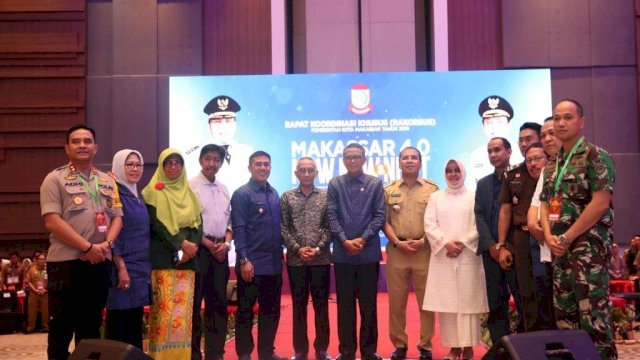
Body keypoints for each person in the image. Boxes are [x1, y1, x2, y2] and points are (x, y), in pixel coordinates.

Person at [540, 99, 617, 359]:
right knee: (566, 318)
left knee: (593, 317)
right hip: (560, 251)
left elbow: (600, 202)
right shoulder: (552, 164)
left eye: (568, 117)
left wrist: (566, 236)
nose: (561, 123)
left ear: (581, 122)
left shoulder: (596, 155)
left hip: (588, 251)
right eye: (557, 118)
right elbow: (544, 203)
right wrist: (550, 237)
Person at [40, 124, 123, 360]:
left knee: (91, 327)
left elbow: (117, 217)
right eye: (76, 141)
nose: (82, 145)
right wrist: (87, 247)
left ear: (95, 147)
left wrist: (104, 247)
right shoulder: (54, 179)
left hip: (99, 263)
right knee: (61, 327)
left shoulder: (107, 180)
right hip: (66, 264)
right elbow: (52, 222)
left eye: (87, 141)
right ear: (67, 148)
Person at [423, 159, 487, 360]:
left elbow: (479, 225)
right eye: (449, 171)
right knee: (448, 305)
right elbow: (429, 224)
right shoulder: (436, 197)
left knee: (468, 303)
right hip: (444, 256)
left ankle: (468, 347)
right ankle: (453, 348)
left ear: (463, 172)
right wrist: (446, 244)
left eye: (456, 170)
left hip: (468, 255)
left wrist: (462, 243)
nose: (453, 174)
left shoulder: (474, 197)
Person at [327, 143, 386, 360]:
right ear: (343, 160)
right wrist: (344, 241)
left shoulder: (374, 184)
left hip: (368, 253)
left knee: (369, 306)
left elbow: (380, 216)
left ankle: (369, 352)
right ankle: (347, 351)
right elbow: (331, 216)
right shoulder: (335, 184)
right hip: (343, 255)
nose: (352, 160)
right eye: (349, 157)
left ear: (364, 159)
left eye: (357, 156)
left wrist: (361, 239)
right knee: (345, 307)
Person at [142, 148, 202, 360]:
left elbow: (197, 225)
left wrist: (190, 247)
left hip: (187, 263)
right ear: (161, 166)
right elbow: (157, 225)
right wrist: (181, 244)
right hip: (163, 260)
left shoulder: (189, 193)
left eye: (178, 163)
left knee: (184, 316)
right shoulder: (151, 193)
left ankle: (181, 356)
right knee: (165, 314)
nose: (174, 167)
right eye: (169, 163)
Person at [382, 147, 438, 360]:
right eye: (405, 157)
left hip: (425, 250)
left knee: (427, 301)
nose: (409, 160)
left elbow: (437, 218)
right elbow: (384, 221)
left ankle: (426, 345)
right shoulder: (389, 190)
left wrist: (424, 240)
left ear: (420, 162)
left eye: (414, 157)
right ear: (399, 163)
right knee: (397, 302)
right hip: (398, 250)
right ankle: (399, 344)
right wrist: (397, 242)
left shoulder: (432, 189)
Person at [231, 151, 285, 360]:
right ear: (249, 168)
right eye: (258, 164)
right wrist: (244, 259)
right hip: (251, 266)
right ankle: (244, 353)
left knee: (271, 312)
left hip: (273, 264)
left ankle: (266, 352)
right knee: (245, 311)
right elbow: (239, 228)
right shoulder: (242, 194)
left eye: (266, 164)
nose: (263, 168)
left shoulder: (273, 194)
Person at [280, 157, 332, 360]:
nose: (307, 174)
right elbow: (283, 227)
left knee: (321, 306)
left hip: (321, 260)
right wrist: (297, 248)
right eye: (303, 170)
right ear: (296, 174)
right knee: (298, 306)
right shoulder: (286, 197)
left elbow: (330, 226)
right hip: (296, 261)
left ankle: (322, 349)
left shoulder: (326, 197)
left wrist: (318, 248)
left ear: (316, 173)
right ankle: (300, 350)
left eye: (311, 170)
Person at [474, 137, 524, 345]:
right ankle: (500, 349)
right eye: (490, 151)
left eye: (497, 150)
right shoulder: (483, 183)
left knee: (522, 301)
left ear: (509, 152)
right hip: (490, 252)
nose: (493, 155)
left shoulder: (521, 177)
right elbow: (479, 216)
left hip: (516, 251)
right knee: (496, 304)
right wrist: (492, 246)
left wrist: (505, 247)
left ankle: (524, 348)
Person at [497, 122, 543, 332]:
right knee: (526, 291)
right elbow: (505, 211)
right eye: (521, 140)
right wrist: (501, 244)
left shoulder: (550, 169)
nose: (525, 144)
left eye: (529, 139)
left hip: (545, 237)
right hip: (521, 238)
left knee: (547, 288)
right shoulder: (512, 173)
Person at [189, 144, 233, 360]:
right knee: (195, 305)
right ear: (200, 160)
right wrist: (207, 244)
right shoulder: (189, 187)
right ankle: (195, 354)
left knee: (218, 306)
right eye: (208, 159)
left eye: (217, 159)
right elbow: (188, 223)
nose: (212, 163)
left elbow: (230, 221)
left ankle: (216, 353)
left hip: (221, 253)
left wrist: (226, 243)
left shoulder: (224, 188)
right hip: (199, 252)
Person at [104, 149, 151, 349]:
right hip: (122, 269)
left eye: (138, 164)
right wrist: (121, 266)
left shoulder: (137, 195)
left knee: (134, 323)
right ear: (118, 166)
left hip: (140, 269)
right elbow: (112, 232)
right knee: (119, 325)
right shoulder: (114, 193)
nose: (135, 169)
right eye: (129, 164)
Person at [185, 95, 254, 195]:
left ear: (235, 124)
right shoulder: (194, 155)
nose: (223, 127)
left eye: (228, 121)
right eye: (217, 122)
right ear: (208, 126)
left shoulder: (247, 152)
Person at [468, 95, 515, 185]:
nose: (494, 127)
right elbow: (473, 189)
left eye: (499, 122)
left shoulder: (519, 151)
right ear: (483, 127)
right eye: (489, 122)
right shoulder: (476, 155)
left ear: (509, 124)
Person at [24, 253, 48, 333]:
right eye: (40, 259)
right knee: (32, 310)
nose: (42, 260)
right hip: (33, 293)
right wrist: (35, 290)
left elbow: (52, 281)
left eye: (43, 259)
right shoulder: (31, 269)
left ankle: (46, 326)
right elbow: (28, 281)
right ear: (37, 260)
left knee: (46, 311)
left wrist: (45, 290)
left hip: (45, 293)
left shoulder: (48, 269)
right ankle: (31, 327)